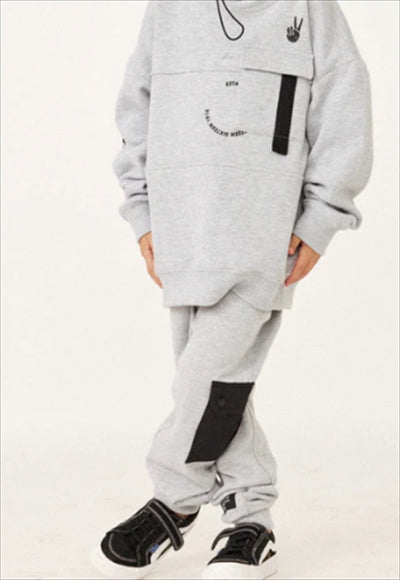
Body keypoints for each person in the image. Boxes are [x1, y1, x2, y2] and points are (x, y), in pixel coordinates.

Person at [92, 1, 373, 578]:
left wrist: (323, 215)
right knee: (219, 382)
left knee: (206, 376)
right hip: (182, 227)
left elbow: (345, 104)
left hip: (266, 234)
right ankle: (251, 519)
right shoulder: (169, 9)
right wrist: (141, 210)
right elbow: (136, 105)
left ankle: (174, 500)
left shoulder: (310, 8)